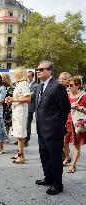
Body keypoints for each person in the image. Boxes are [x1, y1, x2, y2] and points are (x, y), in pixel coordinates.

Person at [35, 61, 70, 195]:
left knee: (55, 157)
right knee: (44, 155)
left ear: (50, 71)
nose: (38, 71)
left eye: (41, 69)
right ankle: (48, 178)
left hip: (53, 129)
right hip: (41, 128)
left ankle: (57, 184)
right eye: (37, 69)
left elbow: (65, 107)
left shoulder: (57, 86)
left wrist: (56, 122)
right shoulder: (39, 86)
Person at [6, 67, 31, 164]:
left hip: (21, 111)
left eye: (16, 73)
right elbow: (18, 97)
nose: (14, 75)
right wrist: (11, 98)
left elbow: (28, 99)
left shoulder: (24, 84)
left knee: (20, 133)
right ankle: (19, 153)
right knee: (17, 132)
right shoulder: (19, 84)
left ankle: (21, 156)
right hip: (17, 110)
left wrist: (14, 100)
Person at [63, 76, 86, 173]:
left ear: (78, 85)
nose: (69, 87)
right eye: (68, 85)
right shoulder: (67, 95)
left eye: (71, 85)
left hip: (77, 123)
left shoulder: (84, 96)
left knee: (76, 144)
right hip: (66, 122)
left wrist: (79, 108)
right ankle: (67, 157)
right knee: (64, 143)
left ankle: (73, 164)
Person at [24, 71, 38, 147]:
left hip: (30, 107)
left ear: (33, 77)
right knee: (22, 124)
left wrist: (26, 94)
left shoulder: (36, 85)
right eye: (27, 76)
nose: (28, 78)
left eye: (29, 76)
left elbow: (32, 96)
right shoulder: (25, 84)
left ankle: (26, 140)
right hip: (23, 106)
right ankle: (21, 139)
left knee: (27, 124)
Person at [1, 73, 14, 141]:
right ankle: (2, 136)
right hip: (0, 107)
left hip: (8, 107)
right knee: (1, 122)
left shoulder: (12, 88)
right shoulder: (0, 87)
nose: (2, 80)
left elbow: (13, 97)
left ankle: (6, 136)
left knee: (8, 123)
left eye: (3, 79)